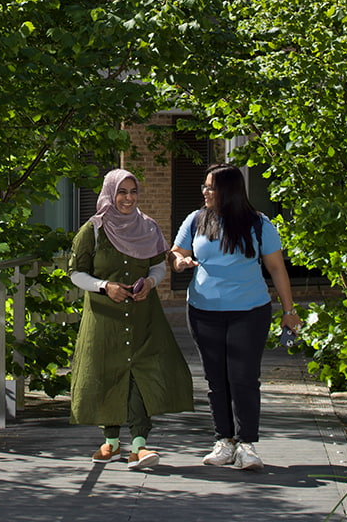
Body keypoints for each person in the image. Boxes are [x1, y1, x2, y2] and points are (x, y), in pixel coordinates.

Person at [169, 164, 301, 471]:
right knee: (216, 380)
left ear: (228, 191)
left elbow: (277, 269)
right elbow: (176, 251)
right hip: (203, 312)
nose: (204, 192)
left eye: (210, 188)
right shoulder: (196, 220)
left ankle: (246, 445)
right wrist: (181, 261)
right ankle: (223, 442)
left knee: (243, 378)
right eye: (204, 187)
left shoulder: (259, 224)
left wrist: (289, 311)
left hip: (249, 312)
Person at [67, 169, 194, 471]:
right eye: (122, 192)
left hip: (142, 315)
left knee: (140, 372)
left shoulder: (148, 227)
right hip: (104, 317)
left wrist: (150, 283)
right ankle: (111, 440)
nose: (128, 198)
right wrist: (104, 286)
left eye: (133, 191)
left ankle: (139, 443)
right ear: (110, 193)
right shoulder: (93, 230)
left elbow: (157, 267)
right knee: (107, 371)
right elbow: (75, 273)